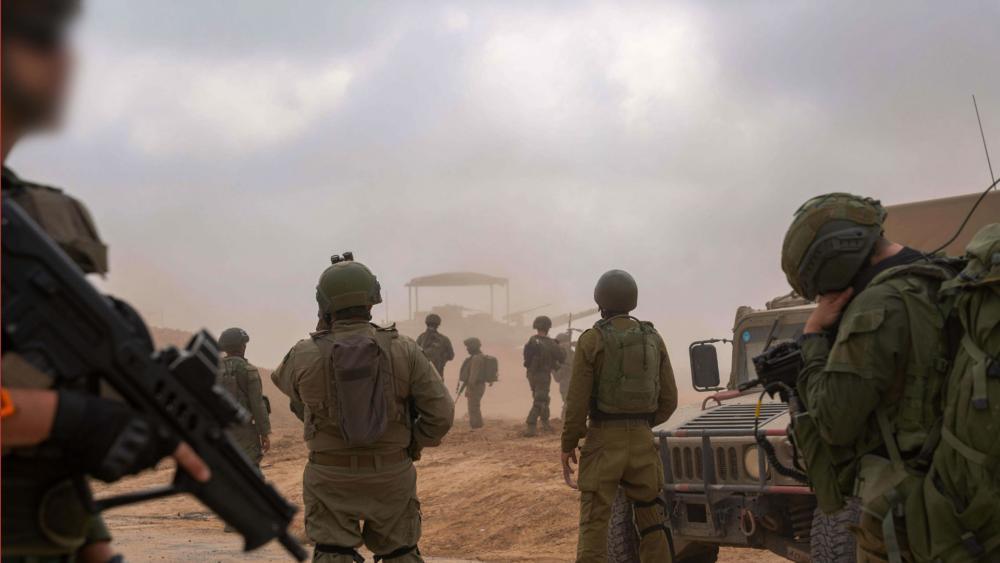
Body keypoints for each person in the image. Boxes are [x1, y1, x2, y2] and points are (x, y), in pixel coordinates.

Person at [1, 2, 209, 561]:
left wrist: (93, 547)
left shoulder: (30, 217)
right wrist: (79, 421)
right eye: (37, 35)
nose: (65, 56)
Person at [780, 193, 954, 563]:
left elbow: (833, 421)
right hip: (960, 491)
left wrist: (812, 338)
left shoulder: (876, 306)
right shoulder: (946, 278)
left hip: (906, 508)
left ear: (832, 260)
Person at [272, 255, 454, 563]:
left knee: (333, 553)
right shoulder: (405, 348)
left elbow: (295, 399)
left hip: (329, 474)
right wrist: (412, 442)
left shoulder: (303, 354)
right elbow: (441, 415)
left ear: (324, 303)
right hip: (391, 472)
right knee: (400, 554)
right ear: (372, 299)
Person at [560, 270, 678, 563]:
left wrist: (568, 443)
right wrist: (641, 424)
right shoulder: (653, 338)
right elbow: (669, 399)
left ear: (600, 300)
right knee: (652, 517)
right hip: (642, 439)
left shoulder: (592, 340)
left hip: (602, 439)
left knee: (594, 520)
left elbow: (575, 402)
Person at [217, 327, 271, 467]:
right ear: (242, 347)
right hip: (244, 431)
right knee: (250, 471)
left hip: (220, 430)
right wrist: (264, 433)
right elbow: (257, 404)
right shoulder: (248, 370)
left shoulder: (213, 368)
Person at [522, 315, 565, 437]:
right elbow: (562, 357)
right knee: (540, 400)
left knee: (543, 398)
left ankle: (545, 423)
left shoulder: (531, 340)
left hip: (531, 374)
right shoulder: (550, 343)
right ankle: (531, 426)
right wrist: (560, 346)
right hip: (543, 375)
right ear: (548, 328)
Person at [458, 337, 492, 429]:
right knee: (475, 406)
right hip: (479, 385)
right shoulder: (480, 357)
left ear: (474, 347)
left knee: (473, 407)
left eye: (468, 347)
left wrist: (469, 389)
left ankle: (476, 426)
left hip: (475, 385)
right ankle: (478, 425)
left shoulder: (476, 358)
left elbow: (473, 376)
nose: (467, 349)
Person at [416, 313, 454, 378]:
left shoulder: (443, 339)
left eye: (433, 325)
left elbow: (451, 356)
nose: (431, 327)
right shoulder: (422, 338)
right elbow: (415, 354)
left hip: (434, 373)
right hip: (425, 374)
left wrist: (441, 360)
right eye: (430, 325)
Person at [554, 331, 575, 420]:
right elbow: (557, 377)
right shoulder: (556, 357)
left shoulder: (572, 353)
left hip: (575, 383)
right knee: (568, 402)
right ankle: (565, 420)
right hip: (565, 384)